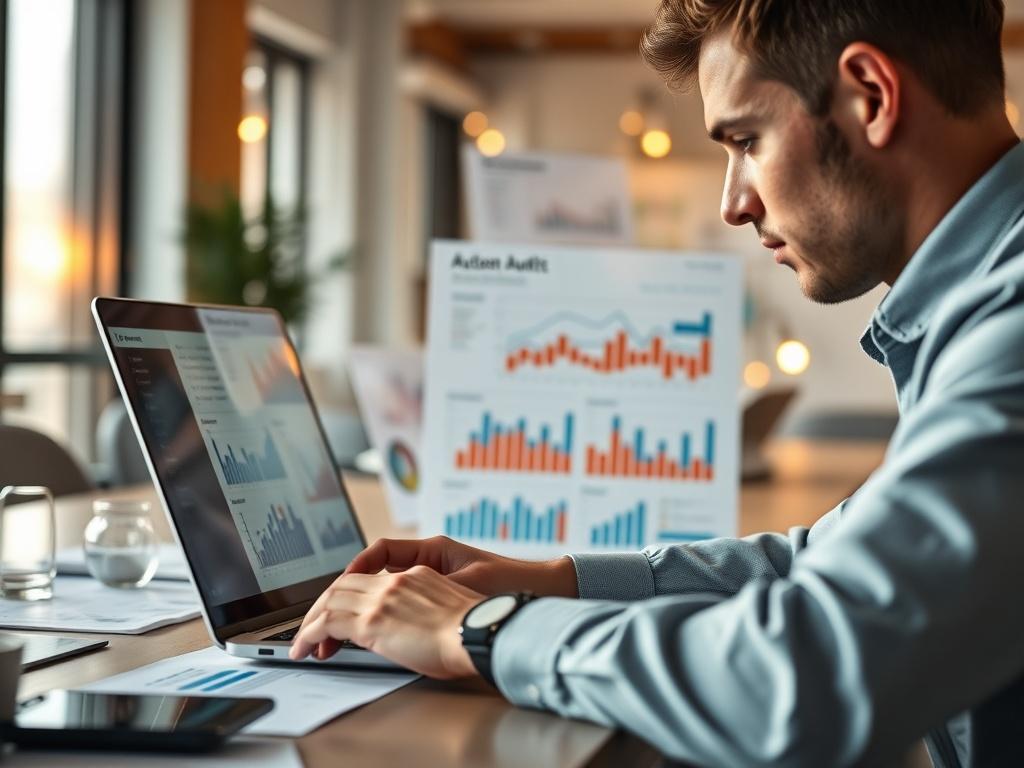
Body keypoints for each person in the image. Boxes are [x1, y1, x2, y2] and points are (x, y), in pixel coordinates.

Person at [291, 1, 1024, 765]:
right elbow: (813, 567)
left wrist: (481, 629)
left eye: (746, 140)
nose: (734, 202)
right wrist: (551, 582)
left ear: (871, 95)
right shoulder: (979, 298)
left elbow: (807, 676)